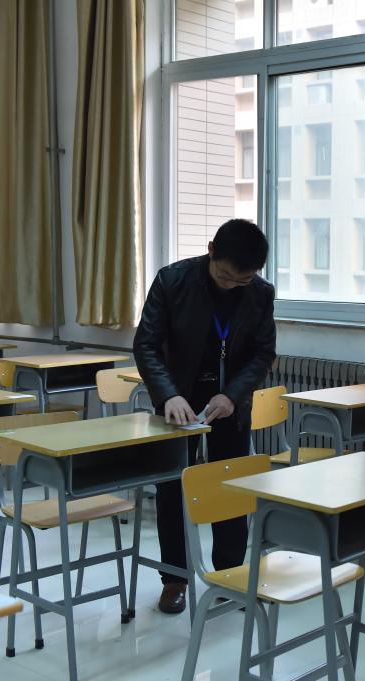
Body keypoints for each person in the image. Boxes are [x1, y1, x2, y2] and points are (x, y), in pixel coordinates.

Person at [134, 218, 276, 615]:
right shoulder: (172, 281)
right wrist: (168, 395)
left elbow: (263, 353)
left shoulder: (260, 293)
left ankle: (230, 574)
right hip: (178, 398)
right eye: (225, 276)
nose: (231, 285)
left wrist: (233, 395)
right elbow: (146, 345)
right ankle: (174, 579)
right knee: (172, 489)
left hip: (228, 402)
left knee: (231, 486)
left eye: (242, 280)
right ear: (211, 249)